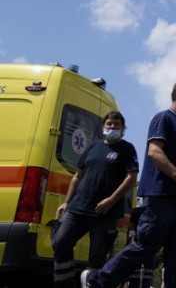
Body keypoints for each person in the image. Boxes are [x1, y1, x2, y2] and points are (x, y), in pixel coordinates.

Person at [83, 81, 176, 288]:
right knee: (145, 247)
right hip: (161, 196)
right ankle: (96, 280)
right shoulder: (163, 118)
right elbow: (155, 151)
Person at [53, 112, 138, 288]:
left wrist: (111, 200)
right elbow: (77, 176)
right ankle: (65, 284)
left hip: (105, 213)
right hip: (78, 208)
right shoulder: (92, 148)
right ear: (103, 126)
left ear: (123, 128)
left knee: (97, 257)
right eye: (109, 124)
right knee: (60, 243)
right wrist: (66, 202)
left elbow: (131, 178)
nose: (112, 127)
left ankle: (91, 284)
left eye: (116, 124)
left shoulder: (127, 149)